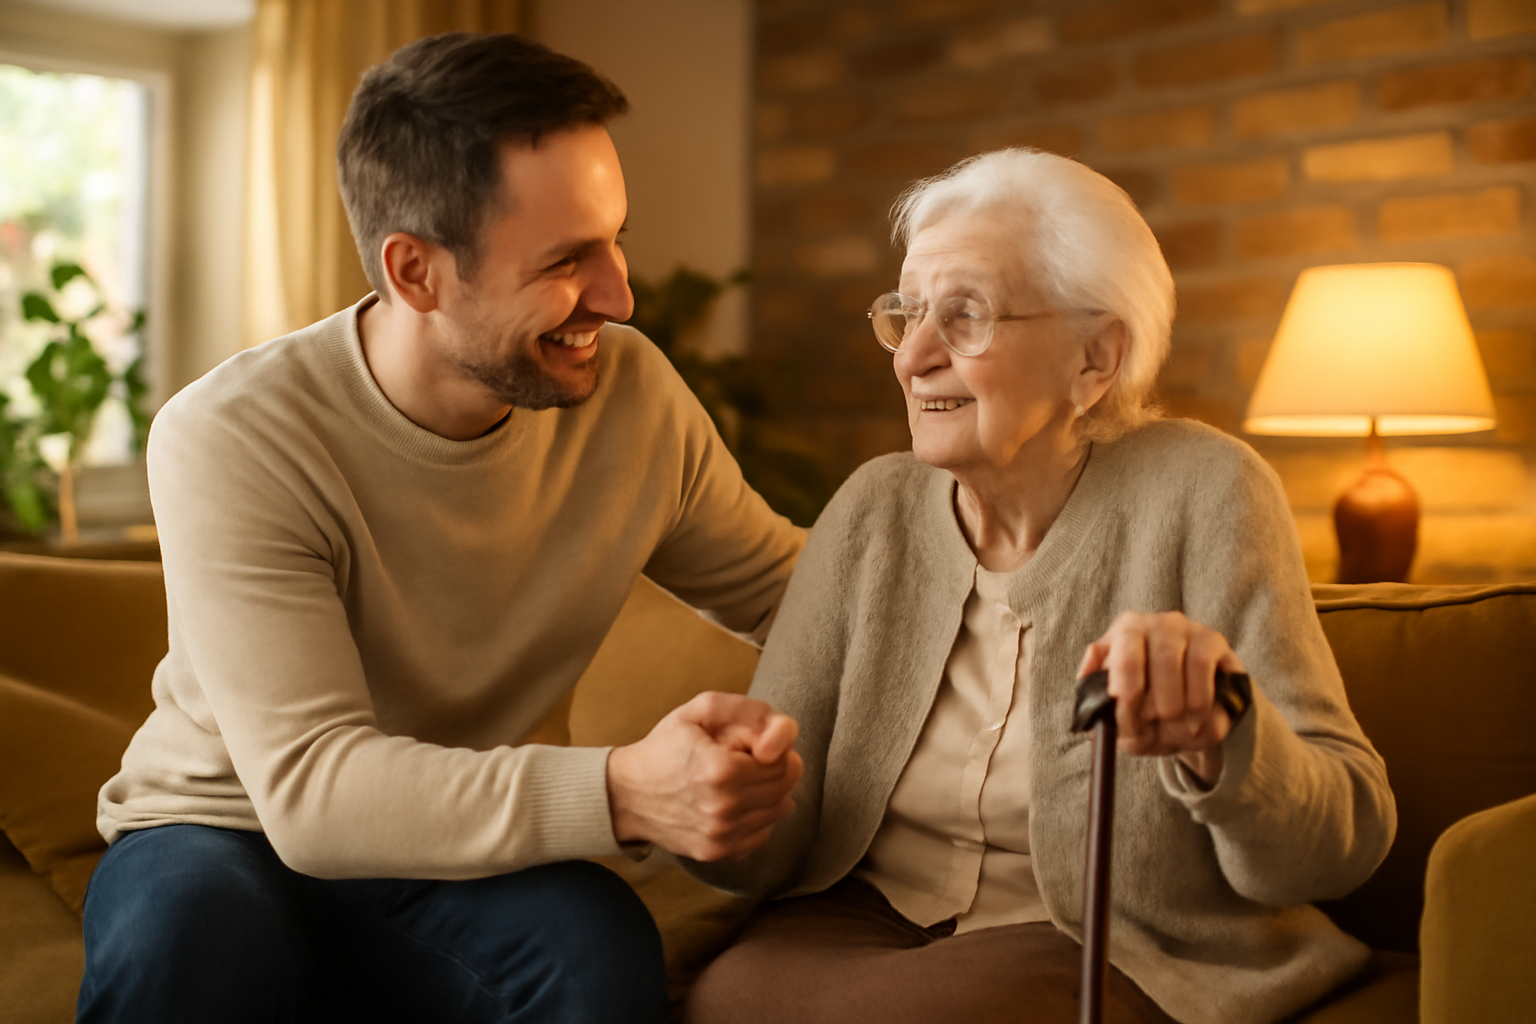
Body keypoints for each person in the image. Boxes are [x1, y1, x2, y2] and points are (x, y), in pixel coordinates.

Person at [78, 33, 805, 1024]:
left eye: (613, 239)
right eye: (566, 260)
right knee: (189, 948)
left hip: (463, 850)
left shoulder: (631, 399)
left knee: (595, 953)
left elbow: (800, 593)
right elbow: (313, 789)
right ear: (416, 271)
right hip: (223, 826)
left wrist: (1029, 587)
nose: (619, 295)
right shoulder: (233, 434)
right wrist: (630, 790)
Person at [683, 149, 1396, 1024]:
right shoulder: (874, 511)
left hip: (1110, 940)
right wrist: (724, 795)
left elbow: (1343, 841)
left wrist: (1224, 736)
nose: (913, 359)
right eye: (905, 315)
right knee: (724, 998)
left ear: (1095, 358)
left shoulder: (1207, 491)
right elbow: (776, 834)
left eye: (966, 316)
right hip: (868, 924)